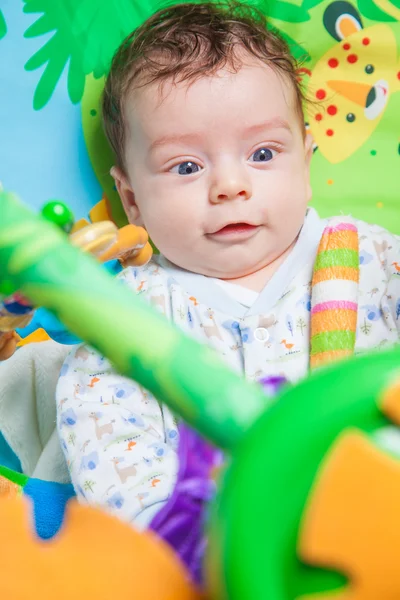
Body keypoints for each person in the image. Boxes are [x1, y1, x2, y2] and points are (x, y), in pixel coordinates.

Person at [56, 0, 400, 551]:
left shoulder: (374, 260)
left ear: (305, 167)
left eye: (263, 153)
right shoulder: (124, 322)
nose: (230, 186)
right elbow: (113, 463)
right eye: (187, 167)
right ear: (131, 199)